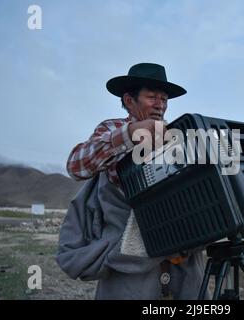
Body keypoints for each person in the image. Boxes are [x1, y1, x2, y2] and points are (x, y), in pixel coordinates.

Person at [56, 63, 207, 300]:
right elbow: (76, 166)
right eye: (152, 97)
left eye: (165, 99)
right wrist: (131, 134)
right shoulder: (112, 129)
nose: (161, 105)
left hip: (183, 265)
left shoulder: (176, 135)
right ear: (129, 100)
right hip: (130, 266)